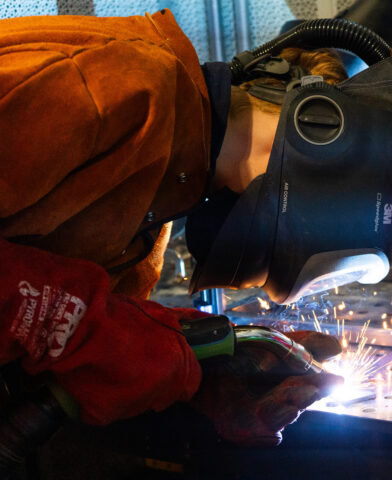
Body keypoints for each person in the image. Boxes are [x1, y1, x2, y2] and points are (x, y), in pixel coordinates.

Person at [0, 9, 348, 446]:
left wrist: (204, 367)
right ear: (307, 125)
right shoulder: (121, 84)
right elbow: (76, 322)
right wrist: (101, 336)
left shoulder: (152, 210)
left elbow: (92, 329)